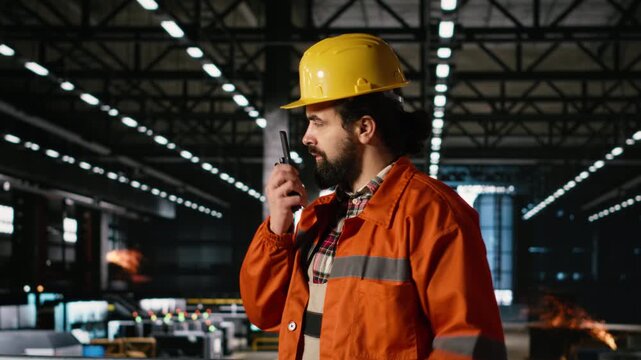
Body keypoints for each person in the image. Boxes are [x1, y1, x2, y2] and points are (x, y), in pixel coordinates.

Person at [240, 33, 506, 359]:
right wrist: (277, 230)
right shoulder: (316, 217)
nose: (306, 138)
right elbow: (264, 314)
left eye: (318, 123)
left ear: (364, 128)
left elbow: (469, 345)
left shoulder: (435, 214)